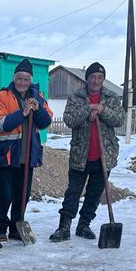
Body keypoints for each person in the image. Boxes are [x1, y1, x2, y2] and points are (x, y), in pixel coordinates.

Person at [50, 62, 124, 241]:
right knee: (73, 192)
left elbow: (120, 119)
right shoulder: (76, 97)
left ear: (103, 79)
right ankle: (64, 226)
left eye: (99, 77)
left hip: (104, 156)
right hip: (80, 155)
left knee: (94, 193)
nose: (96, 80)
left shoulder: (111, 98)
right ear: (87, 78)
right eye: (93, 77)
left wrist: (102, 110)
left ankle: (84, 225)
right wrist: (88, 109)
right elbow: (69, 119)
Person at [0, 58, 53, 241]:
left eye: (26, 79)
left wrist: (38, 108)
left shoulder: (38, 96)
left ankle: (17, 226)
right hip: (7, 154)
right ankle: (1, 227)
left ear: (30, 80)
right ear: (14, 78)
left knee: (22, 194)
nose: (22, 83)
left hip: (28, 154)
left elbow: (45, 122)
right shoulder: (3, 96)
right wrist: (23, 112)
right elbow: (3, 123)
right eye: (19, 79)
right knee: (4, 194)